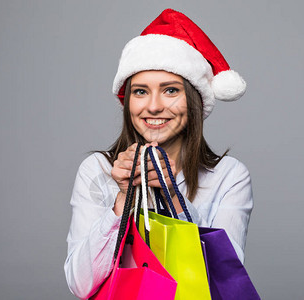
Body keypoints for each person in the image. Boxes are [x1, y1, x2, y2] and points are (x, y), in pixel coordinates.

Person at [64, 8, 253, 299]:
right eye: (140, 92)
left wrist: (171, 197)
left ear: (194, 100)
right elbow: (80, 284)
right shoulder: (97, 170)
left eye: (170, 90)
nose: (153, 106)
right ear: (127, 102)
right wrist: (123, 201)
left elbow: (223, 278)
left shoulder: (229, 176)